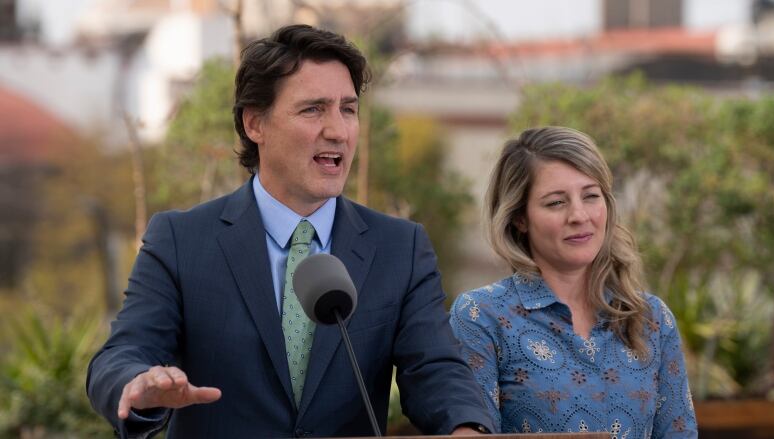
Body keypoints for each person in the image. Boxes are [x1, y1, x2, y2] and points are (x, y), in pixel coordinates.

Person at [87, 24, 494, 438]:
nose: (337, 130)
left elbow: (436, 369)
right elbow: (121, 355)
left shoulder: (400, 248)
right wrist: (136, 384)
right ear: (255, 124)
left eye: (348, 109)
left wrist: (465, 426)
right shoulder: (180, 241)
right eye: (313, 109)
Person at [450, 126, 698, 438]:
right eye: (556, 202)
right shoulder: (481, 315)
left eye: (591, 196)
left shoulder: (652, 318)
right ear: (519, 217)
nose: (579, 215)